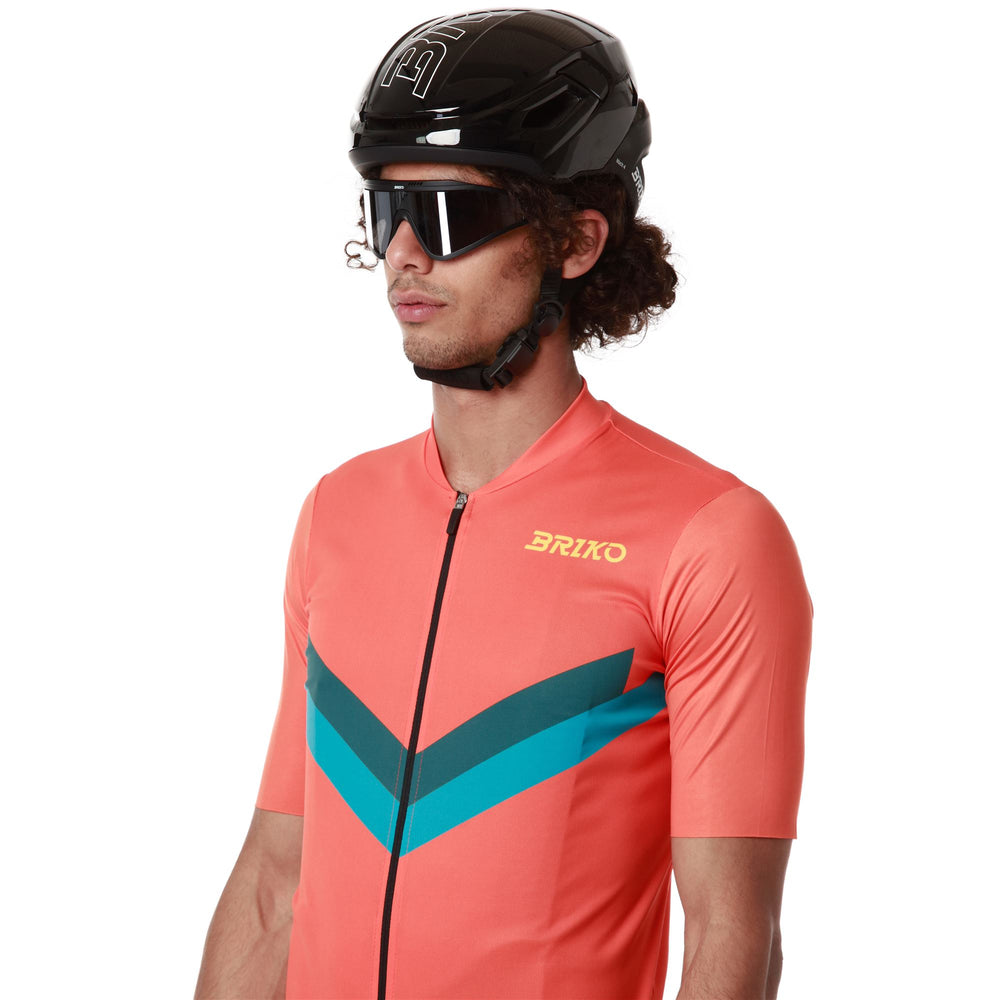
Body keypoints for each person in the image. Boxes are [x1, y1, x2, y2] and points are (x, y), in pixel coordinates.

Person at [195, 9, 812, 1000]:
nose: (405, 254)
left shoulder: (709, 537)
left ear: (575, 241)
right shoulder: (337, 513)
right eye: (385, 211)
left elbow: (731, 939)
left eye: (447, 214)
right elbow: (275, 884)